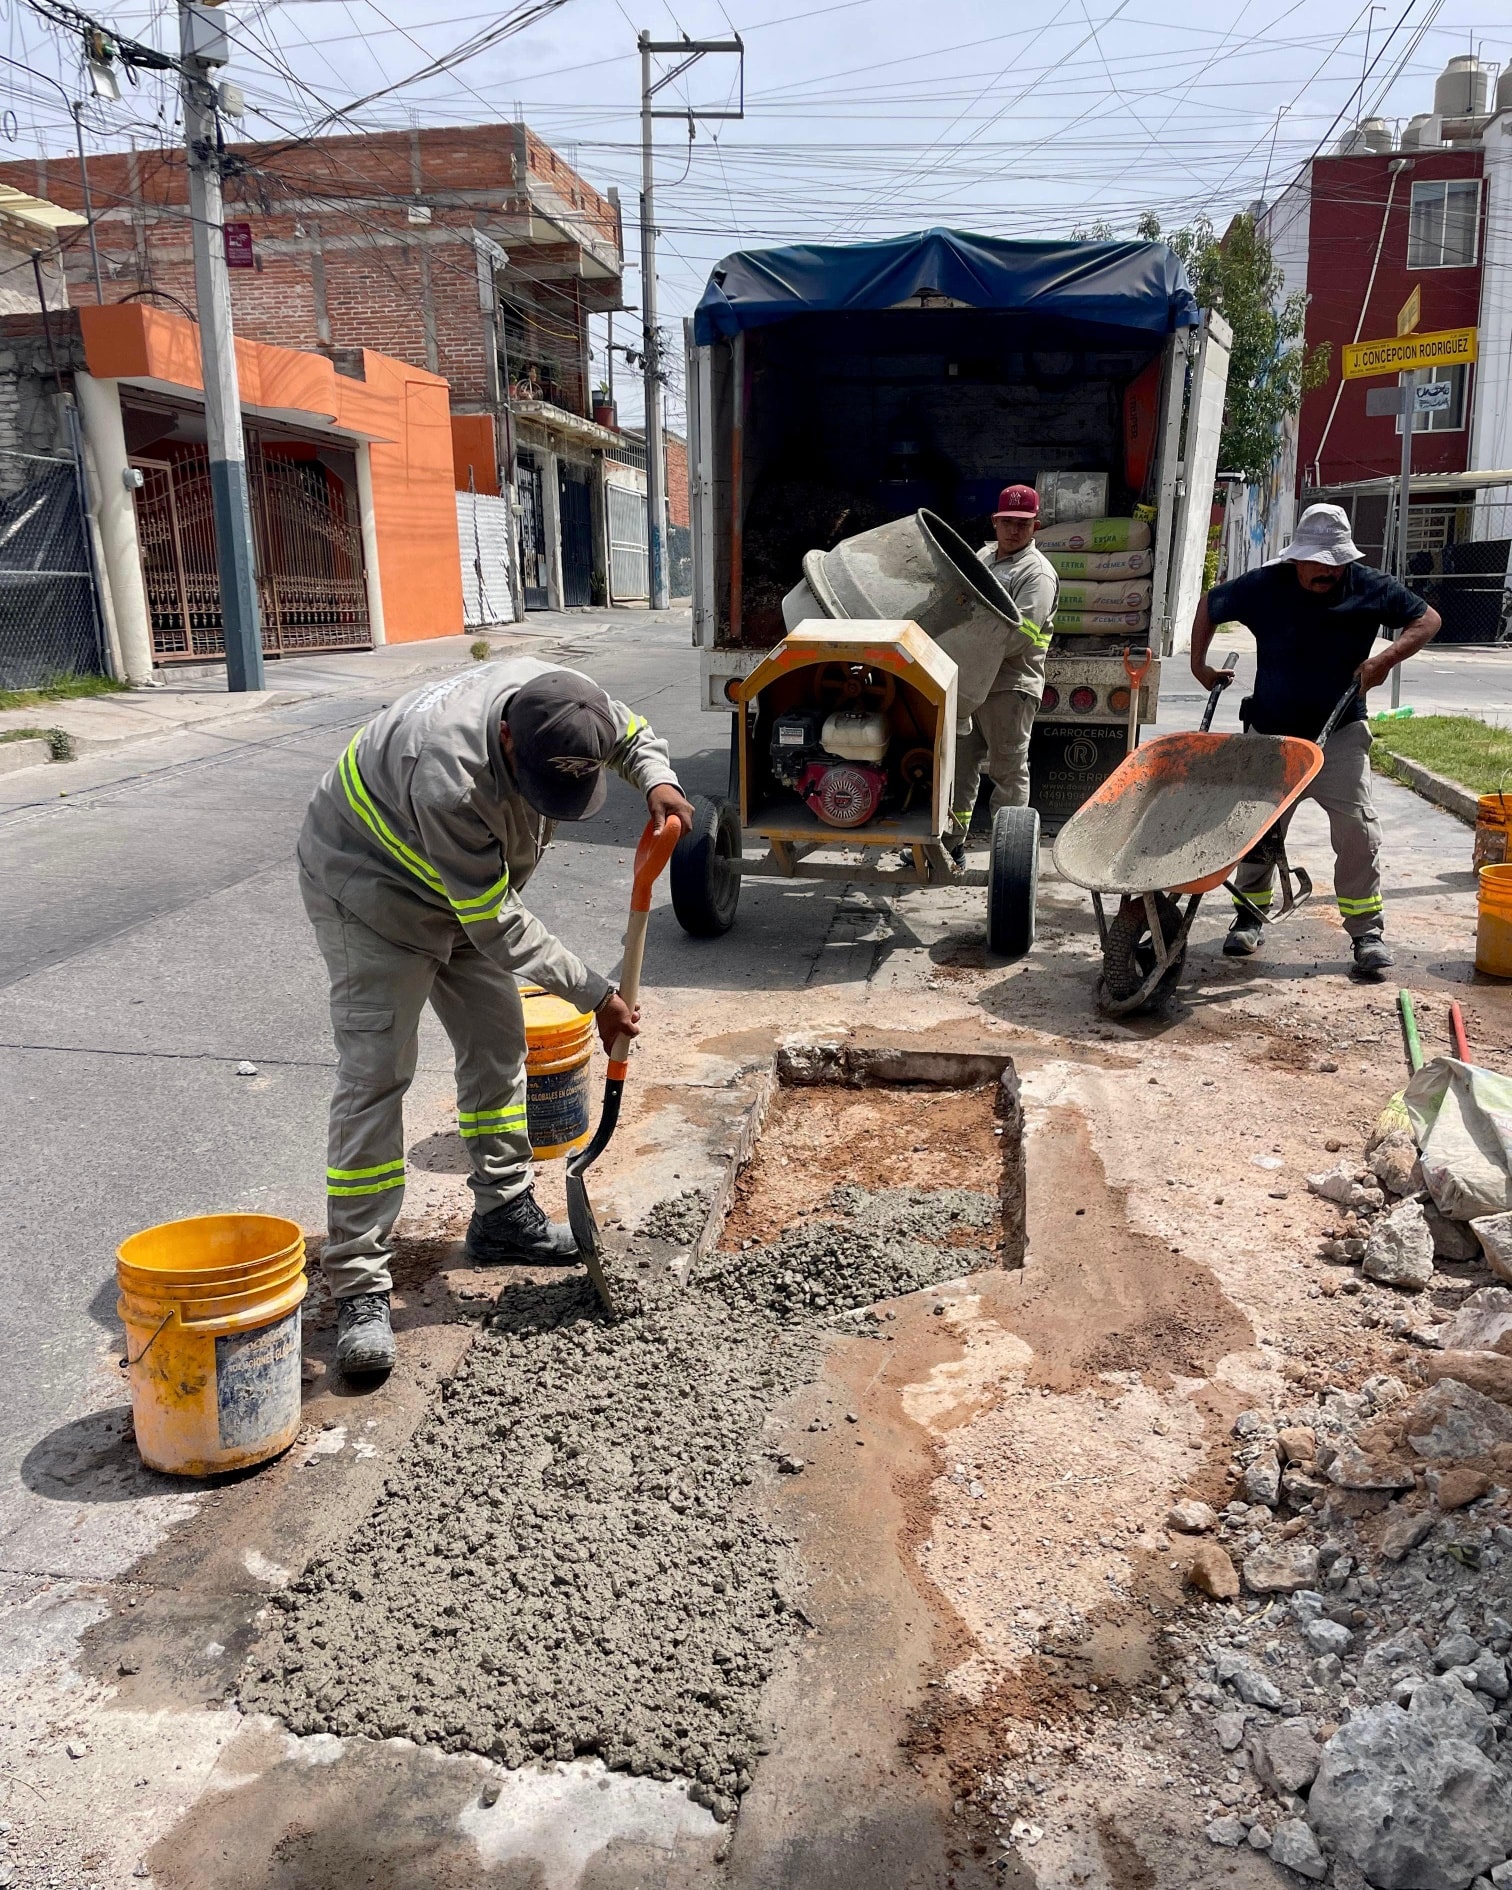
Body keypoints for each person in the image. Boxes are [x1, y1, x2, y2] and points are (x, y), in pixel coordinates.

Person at [297, 659, 695, 1378]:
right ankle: (359, 1282)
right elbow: (496, 925)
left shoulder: (571, 707)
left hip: (471, 888)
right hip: (373, 889)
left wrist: (658, 779)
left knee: (496, 1043)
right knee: (377, 1074)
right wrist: (596, 993)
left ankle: (502, 1215)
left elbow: (635, 733)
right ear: (510, 742)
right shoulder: (449, 775)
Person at [1190, 502, 1441, 980]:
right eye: (1316, 563)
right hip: (1272, 733)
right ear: (1295, 558)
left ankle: (1366, 932)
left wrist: (1385, 660)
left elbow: (1427, 620)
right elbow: (1211, 603)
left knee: (1358, 830)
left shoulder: (1370, 587)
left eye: (1335, 563)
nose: (1326, 572)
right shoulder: (1265, 586)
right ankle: (1250, 915)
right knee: (1258, 828)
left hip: (1340, 732)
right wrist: (1199, 666)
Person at [953, 483, 1058, 842]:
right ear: (995, 521)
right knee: (958, 768)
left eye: (1023, 524)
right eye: (1008, 521)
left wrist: (964, 649)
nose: (1015, 530)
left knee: (1008, 772)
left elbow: (1021, 635)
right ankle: (951, 843)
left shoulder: (1037, 574)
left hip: (1009, 687)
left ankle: (1008, 851)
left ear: (1036, 527)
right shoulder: (982, 558)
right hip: (970, 685)